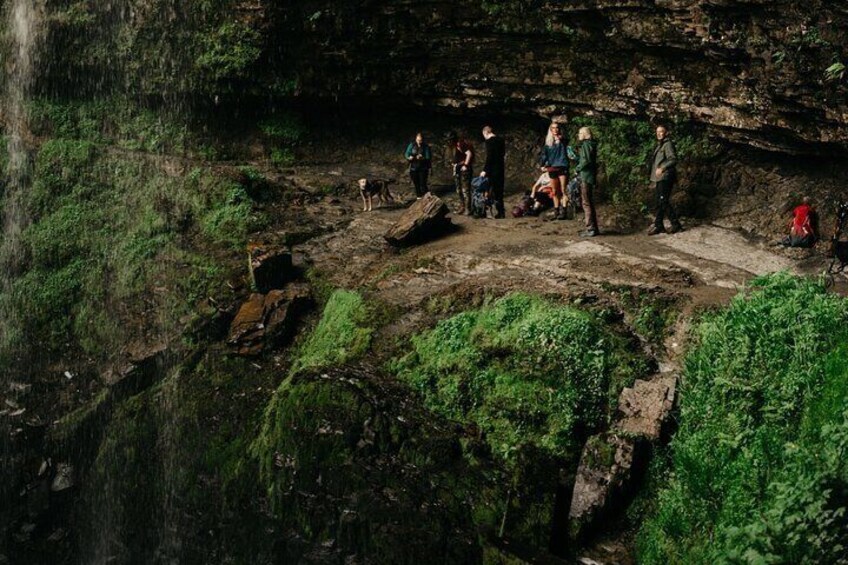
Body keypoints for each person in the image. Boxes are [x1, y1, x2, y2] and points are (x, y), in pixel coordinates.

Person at [648, 125, 683, 235]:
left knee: (663, 201)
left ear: (666, 132)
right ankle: (659, 226)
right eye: (657, 131)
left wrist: (663, 168)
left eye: (661, 131)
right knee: (660, 201)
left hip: (666, 177)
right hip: (659, 178)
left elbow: (673, 159)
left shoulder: (668, 144)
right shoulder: (660, 145)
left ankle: (676, 224)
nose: (659, 133)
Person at [538, 122, 570, 220]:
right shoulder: (548, 143)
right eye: (553, 128)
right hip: (552, 168)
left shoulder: (563, 140)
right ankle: (556, 210)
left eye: (557, 128)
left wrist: (560, 140)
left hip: (562, 167)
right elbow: (544, 155)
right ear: (550, 130)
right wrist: (542, 165)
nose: (555, 130)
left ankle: (564, 211)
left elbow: (567, 145)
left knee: (563, 189)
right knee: (555, 191)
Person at [575, 126, 599, 237]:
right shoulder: (591, 144)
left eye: (580, 133)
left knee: (586, 202)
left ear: (585, 134)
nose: (578, 135)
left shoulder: (586, 145)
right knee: (589, 201)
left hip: (586, 176)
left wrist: (578, 168)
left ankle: (590, 228)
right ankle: (594, 228)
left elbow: (586, 160)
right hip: (590, 176)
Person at [480, 125, 506, 218]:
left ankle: (486, 211)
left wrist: (485, 170)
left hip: (492, 170)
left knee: (487, 190)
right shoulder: (501, 140)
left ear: (485, 132)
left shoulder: (489, 142)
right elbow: (502, 154)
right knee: (499, 191)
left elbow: (490, 157)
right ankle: (501, 212)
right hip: (500, 168)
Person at [448, 132, 474, 214]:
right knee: (458, 190)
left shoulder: (460, 144)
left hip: (464, 170)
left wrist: (465, 165)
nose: (449, 142)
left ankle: (468, 209)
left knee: (465, 190)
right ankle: (462, 206)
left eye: (450, 140)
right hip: (458, 169)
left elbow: (469, 154)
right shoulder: (454, 145)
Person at [405, 132, 432, 199]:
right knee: (416, 183)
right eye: (418, 140)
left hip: (423, 168)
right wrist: (409, 157)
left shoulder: (425, 146)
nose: (419, 142)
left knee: (423, 183)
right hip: (414, 167)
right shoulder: (412, 145)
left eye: (420, 140)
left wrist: (422, 158)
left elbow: (428, 157)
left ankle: (427, 196)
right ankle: (419, 196)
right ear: (416, 139)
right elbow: (407, 153)